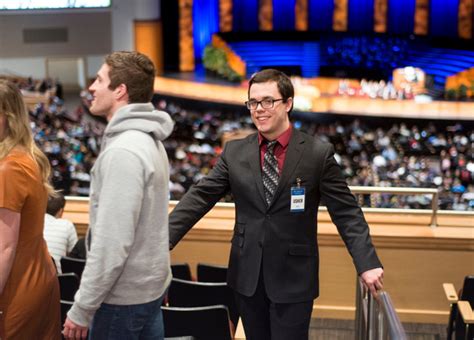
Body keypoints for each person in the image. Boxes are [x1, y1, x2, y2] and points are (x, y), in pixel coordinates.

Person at [169, 69, 384, 339]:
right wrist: (162, 241)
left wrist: (366, 262)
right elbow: (200, 197)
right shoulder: (235, 152)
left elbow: (347, 212)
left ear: (288, 103)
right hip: (246, 277)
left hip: (294, 279)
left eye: (268, 101)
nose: (259, 109)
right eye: (253, 103)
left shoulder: (317, 154)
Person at [62, 51, 174, 340]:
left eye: (100, 80)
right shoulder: (149, 141)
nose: (91, 88)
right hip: (147, 292)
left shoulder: (124, 150)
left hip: (121, 301)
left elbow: (112, 242)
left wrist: (82, 308)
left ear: (120, 91)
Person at [0, 79, 61, 339]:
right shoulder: (25, 156)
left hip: (15, 288)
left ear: (6, 116)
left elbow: (4, 247)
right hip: (36, 275)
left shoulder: (9, 168)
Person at [44, 193, 78, 273]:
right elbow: (73, 257)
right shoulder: (67, 225)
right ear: (60, 211)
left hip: (33, 276)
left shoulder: (35, 223)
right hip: (58, 278)